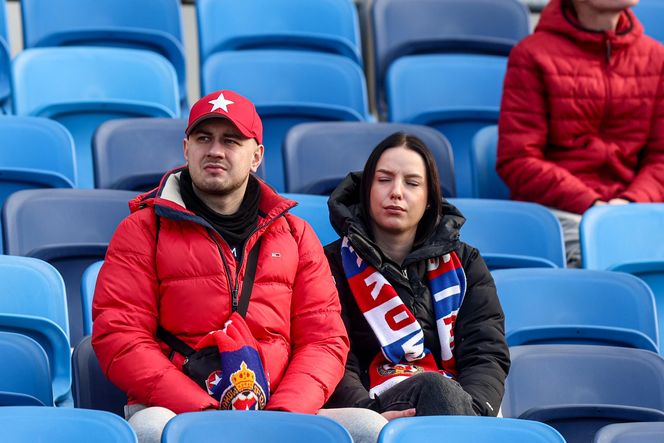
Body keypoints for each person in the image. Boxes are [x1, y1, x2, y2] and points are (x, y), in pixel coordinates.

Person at [92, 90, 368, 443]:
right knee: (149, 430)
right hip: (177, 408)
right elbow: (121, 337)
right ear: (186, 148)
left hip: (279, 407)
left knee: (369, 429)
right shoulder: (143, 230)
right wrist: (205, 412)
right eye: (203, 138)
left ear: (256, 156)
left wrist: (286, 414)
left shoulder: (296, 235)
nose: (215, 150)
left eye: (231, 140)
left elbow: (324, 340)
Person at [323, 132, 510, 420]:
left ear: (429, 199)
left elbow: (485, 353)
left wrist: (470, 416)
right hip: (366, 411)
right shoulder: (330, 263)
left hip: (459, 407)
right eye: (384, 180)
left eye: (412, 183)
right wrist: (371, 415)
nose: (396, 192)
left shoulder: (467, 263)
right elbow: (331, 355)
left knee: (442, 394)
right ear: (367, 191)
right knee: (434, 389)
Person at [497, 0, 664, 267]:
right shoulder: (531, 54)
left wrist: (630, 204)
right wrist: (594, 206)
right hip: (566, 211)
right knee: (595, 259)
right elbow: (517, 160)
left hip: (637, 209)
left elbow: (660, 157)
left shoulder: (656, 57)